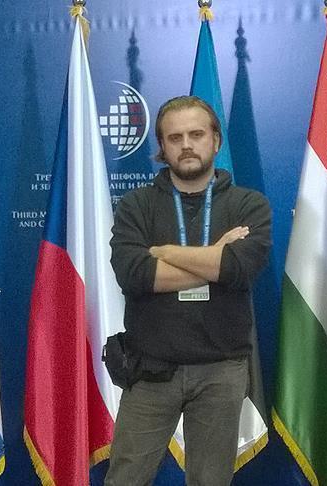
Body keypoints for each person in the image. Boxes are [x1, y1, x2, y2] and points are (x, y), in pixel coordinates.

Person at [105, 96, 271, 485]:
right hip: (149, 369)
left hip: (221, 370)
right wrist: (216, 259)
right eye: (175, 137)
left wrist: (163, 252)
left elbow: (240, 268)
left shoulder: (249, 205)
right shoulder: (136, 205)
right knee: (125, 479)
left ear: (216, 140)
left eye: (196, 134)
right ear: (162, 148)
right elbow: (135, 275)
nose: (186, 145)